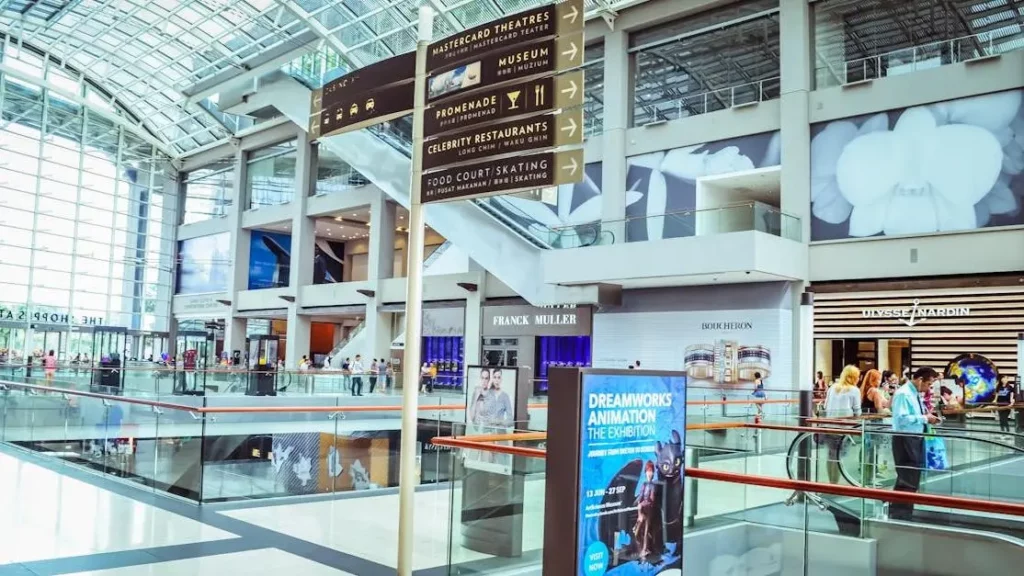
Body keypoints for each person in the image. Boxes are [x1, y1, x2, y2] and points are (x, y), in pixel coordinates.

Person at [889, 366, 940, 520]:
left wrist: (927, 417)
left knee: (911, 476)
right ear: (919, 380)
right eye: (928, 384)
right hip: (905, 438)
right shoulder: (904, 394)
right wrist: (925, 419)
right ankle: (900, 512)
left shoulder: (914, 393)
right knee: (907, 476)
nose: (928, 388)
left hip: (915, 437)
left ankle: (903, 510)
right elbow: (902, 419)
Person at [823, 365, 862, 484]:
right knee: (839, 457)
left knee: (831, 456)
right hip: (844, 428)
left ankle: (832, 482)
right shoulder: (854, 390)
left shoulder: (832, 387)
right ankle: (836, 485)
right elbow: (857, 411)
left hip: (830, 426)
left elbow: (825, 406)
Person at [860, 369, 887, 485]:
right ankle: (870, 478)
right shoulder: (875, 391)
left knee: (868, 450)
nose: (880, 381)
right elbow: (880, 408)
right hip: (875, 424)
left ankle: (868, 475)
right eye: (879, 379)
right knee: (873, 450)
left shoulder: (863, 390)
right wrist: (888, 413)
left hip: (866, 423)